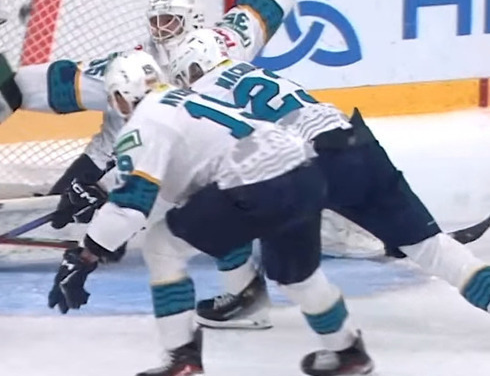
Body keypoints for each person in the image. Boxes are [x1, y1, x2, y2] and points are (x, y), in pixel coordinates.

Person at [0, 0, 322, 229]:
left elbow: (264, 9)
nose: (161, 30)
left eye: (170, 21)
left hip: (187, 161)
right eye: (157, 21)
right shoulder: (136, 64)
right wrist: (6, 89)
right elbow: (63, 82)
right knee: (67, 219)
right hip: (109, 162)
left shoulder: (224, 42)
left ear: (194, 22)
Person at [46, 50, 375, 376]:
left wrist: (86, 254)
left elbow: (134, 204)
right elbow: (177, 172)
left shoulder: (144, 121)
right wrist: (103, 192)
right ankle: (347, 350)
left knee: (162, 246)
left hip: (256, 184)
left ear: (123, 96)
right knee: (298, 276)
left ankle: (181, 368)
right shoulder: (185, 100)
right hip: (305, 172)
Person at [168, 28, 490, 328]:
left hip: (305, 167)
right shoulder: (252, 71)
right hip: (357, 142)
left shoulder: (201, 96)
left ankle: (251, 303)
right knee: (431, 248)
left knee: (232, 213)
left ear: (193, 68)